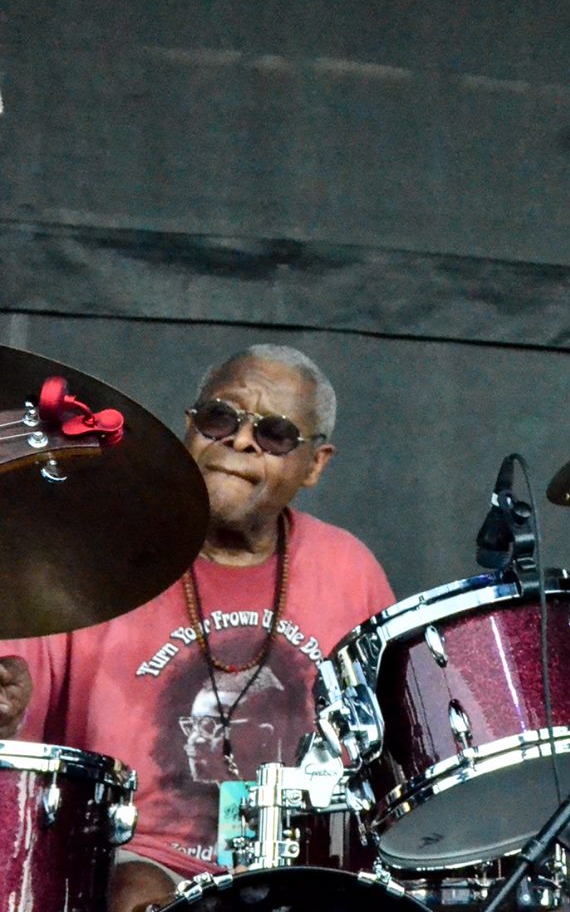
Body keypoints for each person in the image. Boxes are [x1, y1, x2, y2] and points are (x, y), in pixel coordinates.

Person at [0, 343, 395, 911]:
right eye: (221, 418)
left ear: (314, 464)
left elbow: (390, 764)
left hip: (308, 867)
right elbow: (19, 750)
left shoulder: (349, 568)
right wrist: (7, 715)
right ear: (189, 427)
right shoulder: (89, 556)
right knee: (136, 894)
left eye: (275, 433)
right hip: (134, 861)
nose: (239, 441)